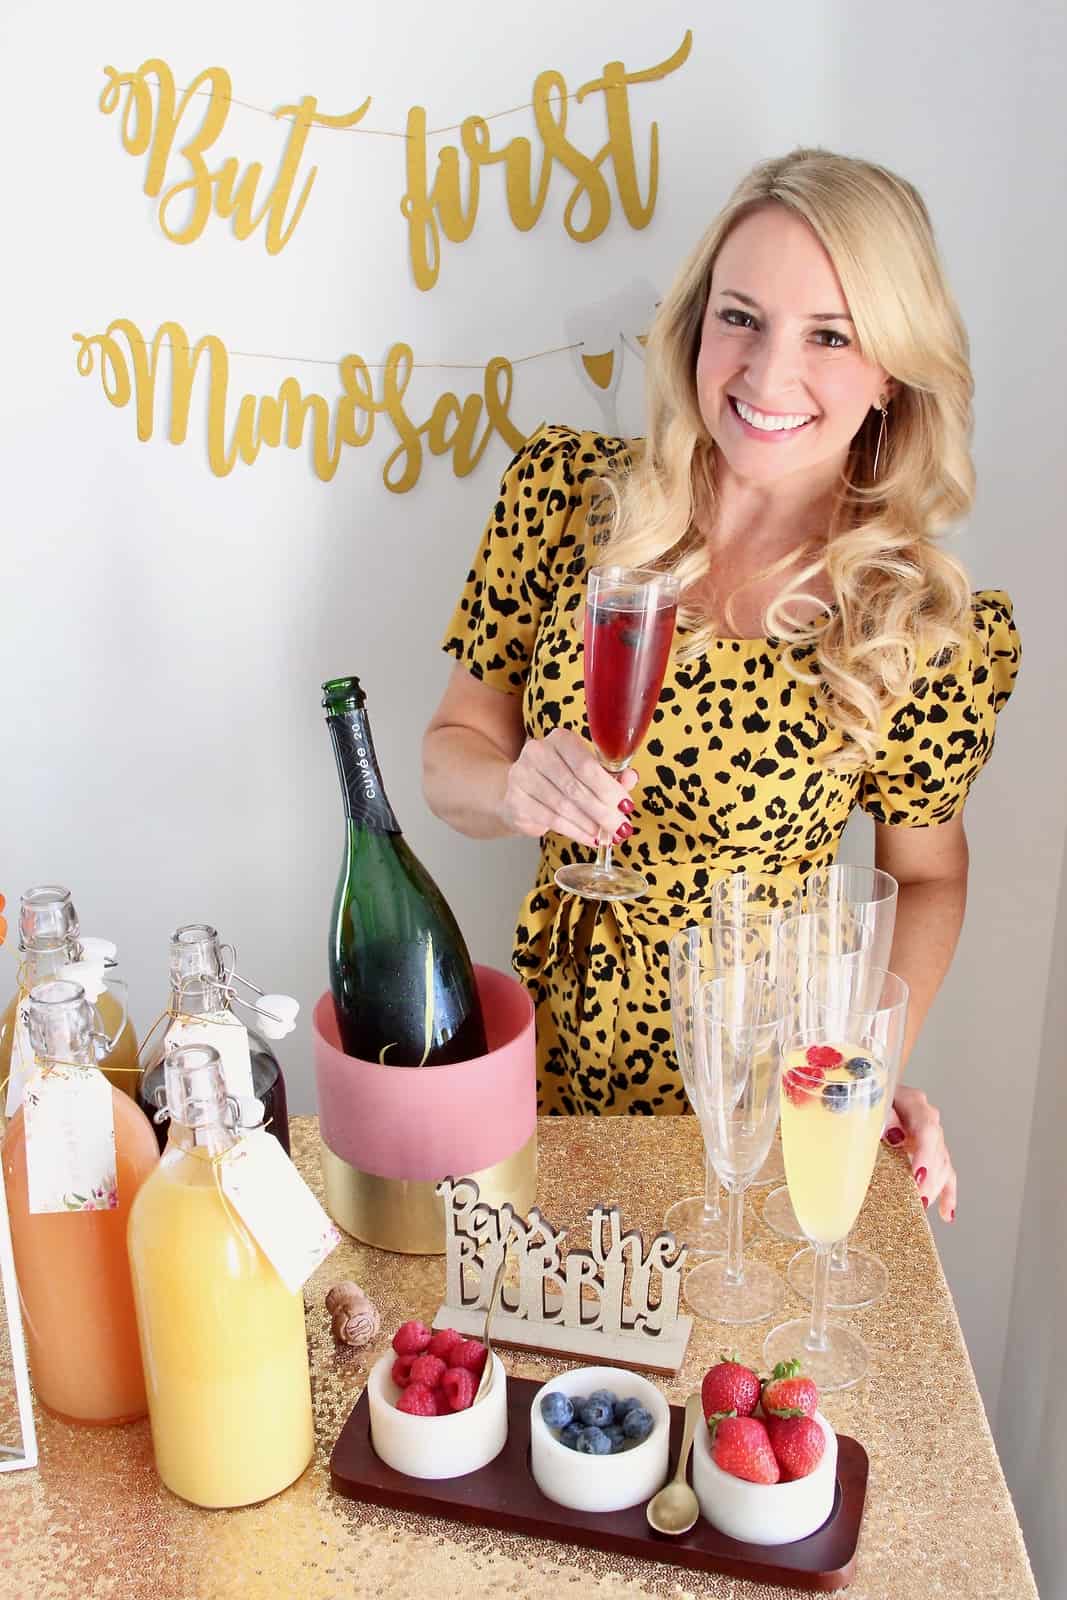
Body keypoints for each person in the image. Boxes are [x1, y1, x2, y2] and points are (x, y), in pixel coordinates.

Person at [422, 148, 1020, 1223]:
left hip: (750, 1112)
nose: (765, 373)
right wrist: (514, 783)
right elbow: (449, 748)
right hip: (537, 1067)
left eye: (829, 336)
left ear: (890, 370)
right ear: (696, 321)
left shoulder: (916, 627)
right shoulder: (566, 496)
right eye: (740, 316)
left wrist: (858, 1069)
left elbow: (926, 880)